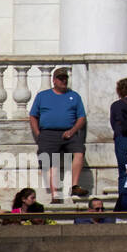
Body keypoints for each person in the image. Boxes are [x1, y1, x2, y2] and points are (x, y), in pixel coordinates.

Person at [27, 68, 88, 202]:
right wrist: (38, 133)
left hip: (69, 132)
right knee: (50, 161)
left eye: (65, 78)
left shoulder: (74, 96)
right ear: (54, 80)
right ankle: (55, 195)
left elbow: (81, 117)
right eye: (60, 78)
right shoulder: (43, 96)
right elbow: (33, 116)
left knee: (79, 151)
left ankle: (75, 185)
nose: (63, 81)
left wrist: (72, 131)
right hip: (48, 133)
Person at [109, 78, 127, 192]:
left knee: (123, 171)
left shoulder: (115, 105)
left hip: (121, 138)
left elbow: (113, 123)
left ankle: (123, 197)